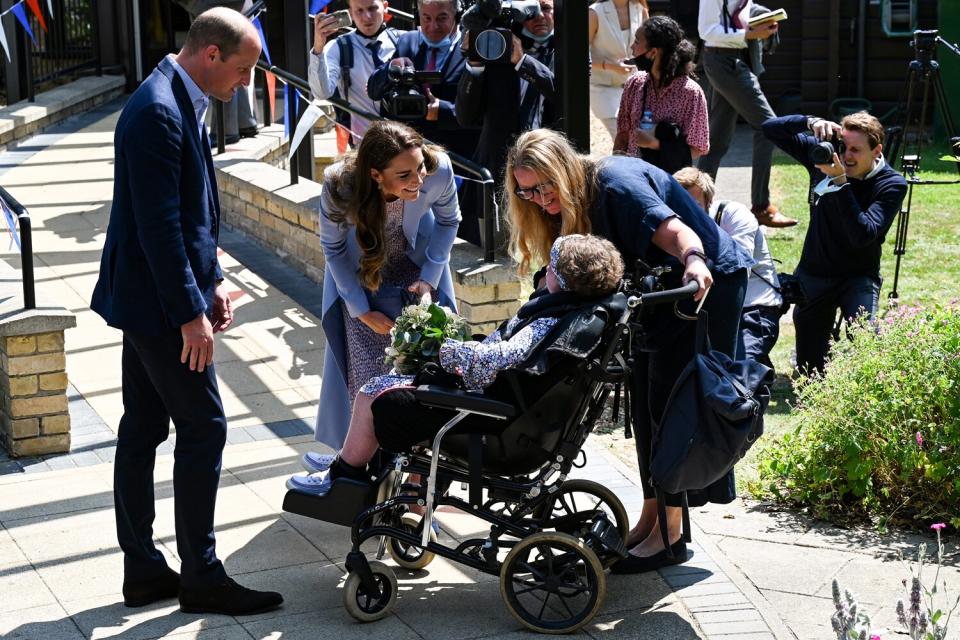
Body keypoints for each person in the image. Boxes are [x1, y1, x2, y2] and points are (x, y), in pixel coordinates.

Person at [89, 8, 283, 615]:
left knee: (144, 427)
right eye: (244, 69)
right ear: (211, 55)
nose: (246, 83)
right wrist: (189, 313)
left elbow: (196, 209)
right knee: (206, 426)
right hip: (157, 306)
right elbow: (160, 227)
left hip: (153, 298)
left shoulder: (179, 96)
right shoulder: (157, 112)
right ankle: (200, 574)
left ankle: (145, 571)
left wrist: (215, 278)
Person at [504, 128, 752, 573]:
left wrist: (694, 259)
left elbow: (676, 231)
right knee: (644, 404)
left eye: (543, 186)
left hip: (702, 284)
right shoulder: (571, 201)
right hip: (658, 292)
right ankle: (652, 518)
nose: (538, 199)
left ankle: (671, 536)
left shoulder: (615, 185)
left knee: (673, 403)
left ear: (563, 169)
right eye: (526, 192)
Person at [289, 234, 625, 494]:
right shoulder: (565, 314)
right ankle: (355, 465)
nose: (544, 272)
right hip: (502, 408)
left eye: (551, 268)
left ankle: (344, 476)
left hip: (487, 415)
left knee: (374, 393)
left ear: (564, 281)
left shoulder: (547, 321)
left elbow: (505, 357)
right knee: (390, 383)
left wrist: (444, 349)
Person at [313, 120, 461, 453]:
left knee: (426, 376)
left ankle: (420, 469)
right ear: (376, 175)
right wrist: (361, 312)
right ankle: (366, 466)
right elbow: (333, 250)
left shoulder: (439, 171)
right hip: (364, 283)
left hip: (419, 279)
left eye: (420, 168)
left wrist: (430, 278)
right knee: (369, 382)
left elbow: (450, 220)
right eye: (405, 175)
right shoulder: (340, 186)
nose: (419, 180)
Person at [762, 112, 907, 375]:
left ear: (877, 151)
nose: (846, 156)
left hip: (858, 275)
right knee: (811, 372)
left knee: (866, 340)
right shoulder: (825, 157)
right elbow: (769, 128)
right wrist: (809, 122)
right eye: (843, 146)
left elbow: (863, 234)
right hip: (816, 272)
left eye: (855, 149)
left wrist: (840, 182)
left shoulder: (892, 184)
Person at [455, 0, 557, 245]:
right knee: (494, 249)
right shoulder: (498, 44)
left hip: (548, 166)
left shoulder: (568, 47)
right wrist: (475, 64)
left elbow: (563, 92)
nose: (539, 16)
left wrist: (523, 62)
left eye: (546, 8)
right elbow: (465, 117)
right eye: (531, 10)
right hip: (499, 163)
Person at [696, 0, 797, 228]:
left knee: (718, 139)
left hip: (734, 59)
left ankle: (695, 203)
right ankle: (761, 206)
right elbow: (706, 30)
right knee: (769, 128)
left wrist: (764, 17)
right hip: (724, 61)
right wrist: (747, 34)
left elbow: (740, 12)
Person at [674, 167, 782, 370]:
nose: (686, 215)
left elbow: (737, 273)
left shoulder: (734, 216)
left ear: (709, 202)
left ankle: (755, 367)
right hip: (704, 307)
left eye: (694, 207)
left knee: (735, 378)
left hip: (752, 308)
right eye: (679, 207)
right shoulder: (671, 227)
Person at [367, 0, 478, 159]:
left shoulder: (472, 49)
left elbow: (483, 111)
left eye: (441, 18)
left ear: (457, 16)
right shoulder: (407, 41)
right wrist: (391, 67)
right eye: (426, 18)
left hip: (457, 158)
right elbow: (373, 90)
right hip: (409, 155)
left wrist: (444, 111)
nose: (433, 27)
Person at [613, 15, 709, 174]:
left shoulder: (691, 93)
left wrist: (655, 144)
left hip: (670, 181)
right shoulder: (635, 84)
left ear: (653, 53)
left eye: (637, 41)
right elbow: (622, 135)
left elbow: (698, 148)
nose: (632, 47)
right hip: (634, 178)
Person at [309, 0, 402, 145]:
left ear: (385, 7)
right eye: (359, 11)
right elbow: (321, 93)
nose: (367, 17)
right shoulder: (338, 47)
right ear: (350, 12)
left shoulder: (404, 40)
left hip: (404, 142)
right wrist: (318, 47)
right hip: (363, 146)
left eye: (372, 8)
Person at [175, 0, 259, 145]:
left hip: (217, 7)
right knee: (234, 63)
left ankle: (228, 129)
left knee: (234, 63)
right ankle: (243, 122)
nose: (248, 80)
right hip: (233, 8)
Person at [588, 0, 648, 141]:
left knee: (637, 143)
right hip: (603, 88)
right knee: (624, 140)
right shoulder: (594, 13)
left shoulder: (640, 9)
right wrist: (609, 66)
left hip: (635, 88)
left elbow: (649, 48)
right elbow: (579, 55)